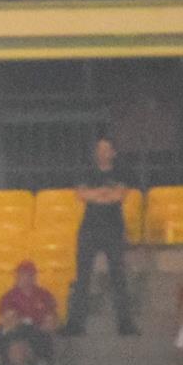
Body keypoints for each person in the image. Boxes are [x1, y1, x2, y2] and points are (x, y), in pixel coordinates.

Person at [62, 137, 138, 337]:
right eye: (99, 149)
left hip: (113, 229)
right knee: (82, 278)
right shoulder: (87, 171)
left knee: (118, 278)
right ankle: (75, 324)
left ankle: (125, 324)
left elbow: (119, 196)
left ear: (113, 152)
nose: (102, 152)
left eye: (106, 149)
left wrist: (96, 194)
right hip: (89, 229)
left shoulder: (122, 171)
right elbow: (81, 195)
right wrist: (104, 193)